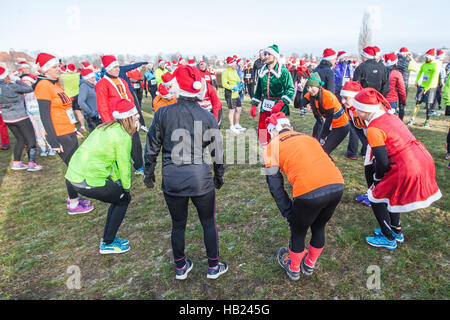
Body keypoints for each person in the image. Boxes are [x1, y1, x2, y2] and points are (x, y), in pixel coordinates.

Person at [144, 65, 227, 280]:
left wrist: (149, 171)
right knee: (208, 222)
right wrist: (219, 175)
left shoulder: (163, 113)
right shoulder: (207, 116)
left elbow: (151, 145)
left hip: (173, 178)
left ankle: (181, 266)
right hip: (200, 179)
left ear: (178, 88)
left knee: (178, 224)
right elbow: (218, 152)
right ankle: (213, 266)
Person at [352, 88, 442, 250]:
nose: (355, 112)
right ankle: (396, 231)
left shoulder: (373, 128)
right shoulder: (388, 116)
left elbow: (382, 161)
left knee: (375, 196)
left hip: (406, 165)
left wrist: (377, 179)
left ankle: (388, 238)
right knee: (392, 196)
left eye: (357, 108)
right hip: (419, 158)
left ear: (365, 110)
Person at [263, 112, 344, 280]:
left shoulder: (271, 146)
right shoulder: (309, 137)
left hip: (309, 190)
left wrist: (288, 212)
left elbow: (275, 186)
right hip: (337, 183)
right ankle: (309, 264)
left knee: (298, 231)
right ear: (290, 128)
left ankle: (294, 269)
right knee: (319, 226)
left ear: (272, 132)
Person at [65, 98, 138, 254]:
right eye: (135, 116)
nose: (137, 118)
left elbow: (109, 160)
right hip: (85, 179)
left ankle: (108, 238)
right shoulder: (123, 137)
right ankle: (108, 243)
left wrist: (117, 182)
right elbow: (124, 165)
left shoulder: (104, 127)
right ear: (129, 118)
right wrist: (126, 187)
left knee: (118, 198)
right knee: (123, 199)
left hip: (74, 173)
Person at [34, 53, 94, 214]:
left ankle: (75, 197)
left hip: (68, 131)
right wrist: (53, 141)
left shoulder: (55, 84)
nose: (58, 69)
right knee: (73, 168)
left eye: (58, 66)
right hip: (58, 134)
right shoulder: (43, 86)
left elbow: (64, 110)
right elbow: (45, 116)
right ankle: (73, 204)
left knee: (76, 165)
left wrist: (73, 129)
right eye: (54, 67)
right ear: (45, 69)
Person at [95, 55, 145, 175]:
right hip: (116, 120)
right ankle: (121, 170)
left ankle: (139, 166)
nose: (118, 69)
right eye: (115, 67)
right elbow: (102, 107)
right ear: (108, 69)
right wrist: (109, 125)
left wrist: (136, 116)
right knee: (120, 147)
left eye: (118, 66)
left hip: (130, 118)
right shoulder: (102, 84)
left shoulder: (122, 81)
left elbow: (130, 99)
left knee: (136, 144)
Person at [250, 44, 295, 144]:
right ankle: (265, 152)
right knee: (262, 133)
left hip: (280, 107)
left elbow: (290, 89)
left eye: (268, 54)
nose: (265, 56)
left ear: (275, 56)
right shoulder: (261, 71)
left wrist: (280, 103)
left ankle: (281, 155)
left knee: (281, 134)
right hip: (265, 106)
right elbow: (258, 90)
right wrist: (254, 104)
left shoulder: (283, 71)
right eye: (265, 54)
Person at [0, 67, 43, 171]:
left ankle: (17, 162)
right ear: (6, 76)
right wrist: (18, 80)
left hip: (7, 118)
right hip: (20, 116)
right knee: (31, 139)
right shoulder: (12, 86)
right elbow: (29, 89)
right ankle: (32, 163)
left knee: (20, 139)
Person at [304, 72, 350, 154]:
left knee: (323, 151)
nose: (309, 89)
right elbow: (297, 104)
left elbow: (329, 119)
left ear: (318, 86)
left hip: (341, 126)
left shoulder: (327, 96)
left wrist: (322, 137)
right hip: (330, 125)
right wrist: (301, 90)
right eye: (308, 87)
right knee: (319, 149)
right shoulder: (311, 95)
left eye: (311, 87)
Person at [21, 74, 54, 157]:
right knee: (36, 132)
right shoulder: (24, 93)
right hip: (31, 115)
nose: (25, 82)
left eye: (26, 81)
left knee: (44, 131)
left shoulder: (37, 90)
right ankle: (43, 148)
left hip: (39, 114)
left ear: (31, 82)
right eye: (23, 81)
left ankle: (51, 147)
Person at [408, 49, 440, 127]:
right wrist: (417, 80)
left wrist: (427, 88)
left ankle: (427, 121)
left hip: (431, 88)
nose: (425, 59)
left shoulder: (435, 65)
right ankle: (413, 119)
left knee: (428, 105)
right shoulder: (424, 64)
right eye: (425, 57)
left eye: (427, 57)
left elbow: (434, 78)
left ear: (431, 58)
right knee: (417, 102)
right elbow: (420, 72)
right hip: (422, 86)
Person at [341, 80, 368, 161]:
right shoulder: (349, 109)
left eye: (346, 98)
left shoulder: (366, 110)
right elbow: (357, 130)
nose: (342, 101)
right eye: (342, 98)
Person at [222, 56, 246, 133]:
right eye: (235, 64)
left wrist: (241, 82)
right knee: (231, 110)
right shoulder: (225, 72)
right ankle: (231, 126)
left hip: (236, 94)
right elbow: (224, 84)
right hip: (230, 94)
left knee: (239, 109)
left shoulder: (234, 71)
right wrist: (232, 87)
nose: (236, 65)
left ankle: (237, 124)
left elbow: (237, 79)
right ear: (231, 64)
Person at [60, 63, 86, 132]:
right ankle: (83, 126)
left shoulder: (64, 76)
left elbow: (60, 71)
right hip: (77, 95)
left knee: (69, 113)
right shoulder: (77, 75)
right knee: (78, 112)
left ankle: (73, 128)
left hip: (68, 97)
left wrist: (62, 65)